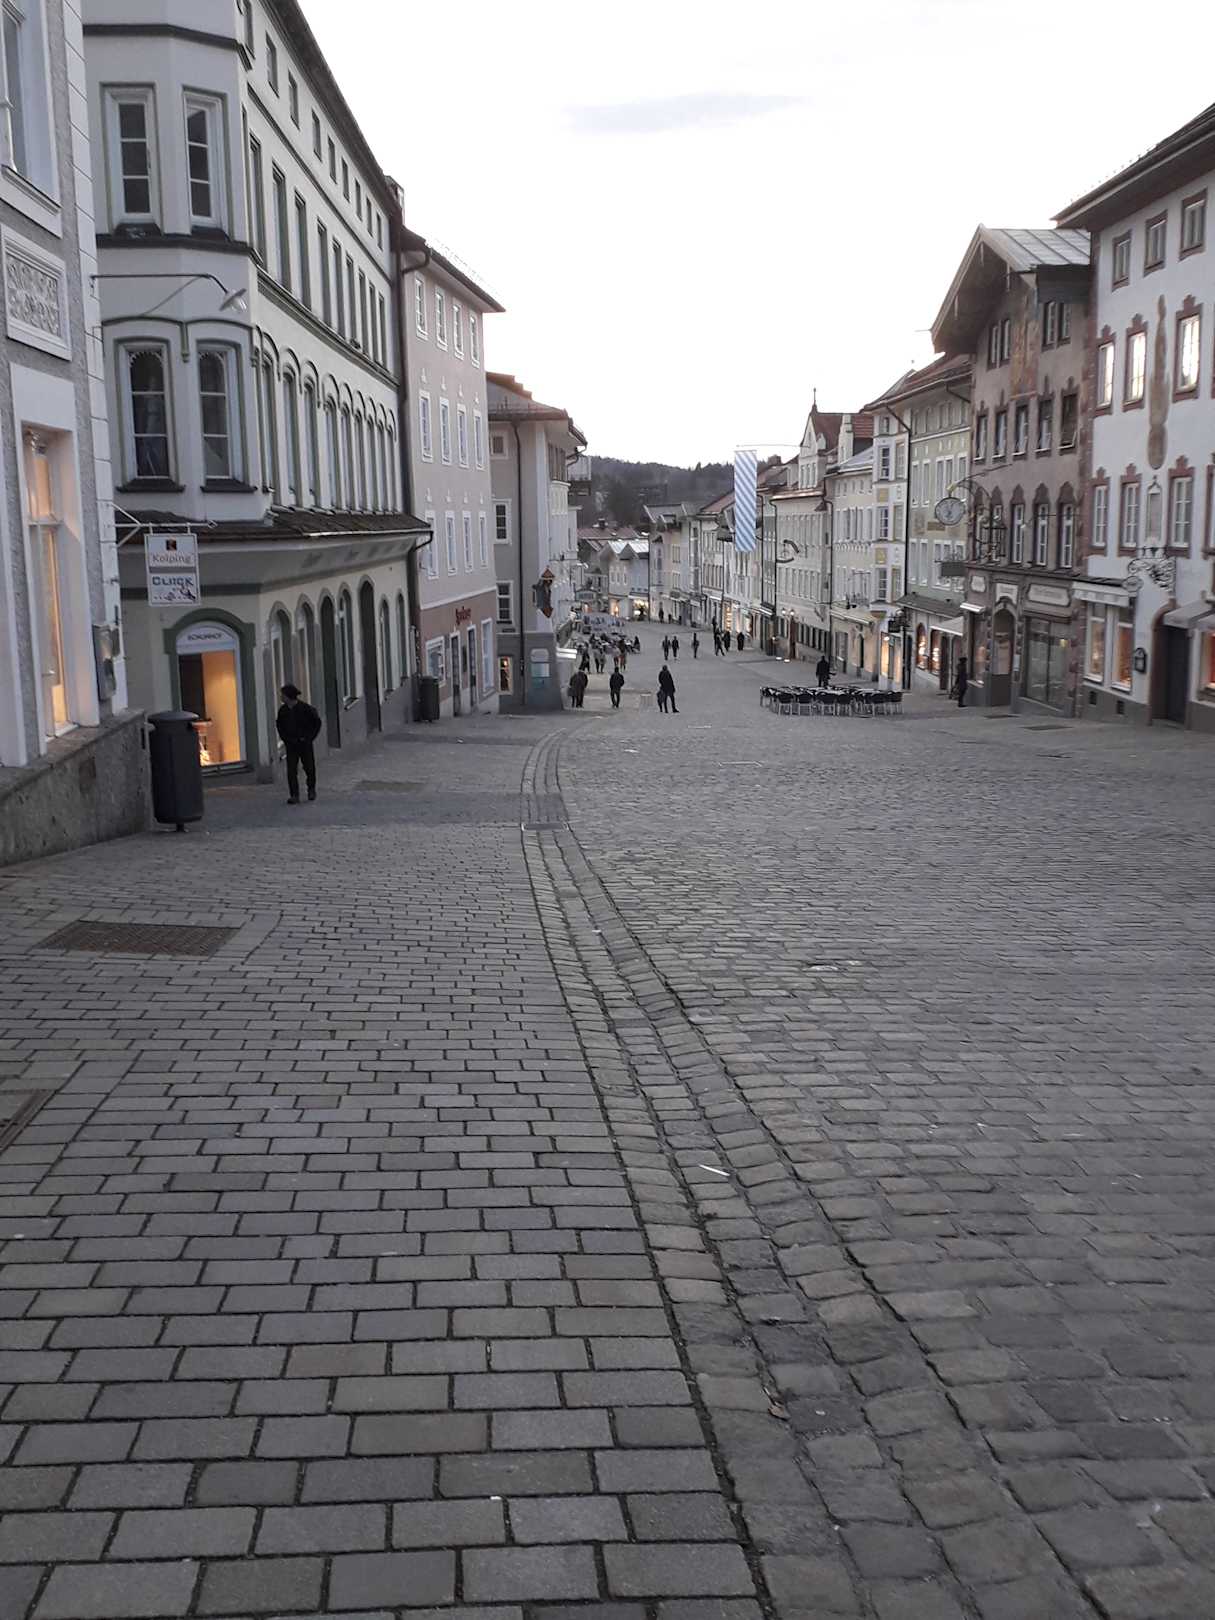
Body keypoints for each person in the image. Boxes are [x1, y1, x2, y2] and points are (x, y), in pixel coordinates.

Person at [276, 683, 322, 804]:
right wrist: (285, 739)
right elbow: (279, 726)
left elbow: (317, 723)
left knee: (309, 768)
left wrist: (309, 738)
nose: (281, 697)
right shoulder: (283, 711)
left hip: (304, 743)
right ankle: (294, 794)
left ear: (289, 696)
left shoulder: (305, 708)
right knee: (291, 770)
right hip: (291, 744)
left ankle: (311, 789)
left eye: (283, 695)